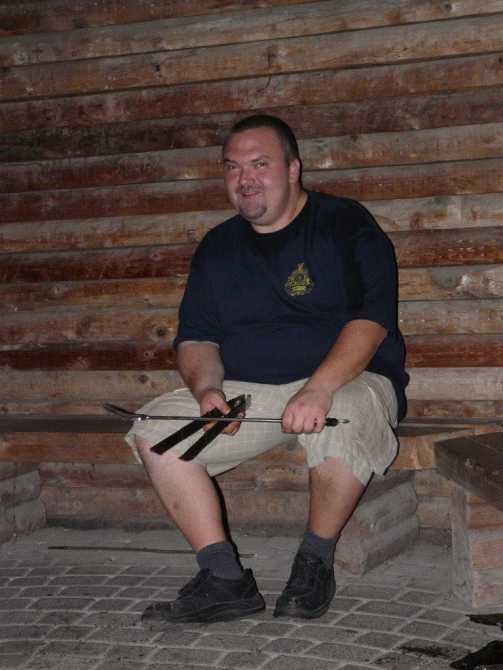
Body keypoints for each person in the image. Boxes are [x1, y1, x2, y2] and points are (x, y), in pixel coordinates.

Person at [125, 114, 408, 624]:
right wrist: (208, 390)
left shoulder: (344, 223)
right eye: (232, 167)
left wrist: (319, 388)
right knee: (154, 431)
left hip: (344, 381)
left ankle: (313, 562)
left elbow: (372, 320)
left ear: (293, 168)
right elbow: (197, 337)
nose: (245, 179)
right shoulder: (218, 246)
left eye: (260, 164)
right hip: (250, 394)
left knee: (344, 415)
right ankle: (223, 578)